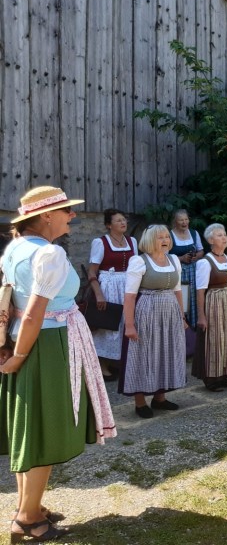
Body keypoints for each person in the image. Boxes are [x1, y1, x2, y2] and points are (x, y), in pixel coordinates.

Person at [0, 186, 116, 542]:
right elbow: (34, 314)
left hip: (27, 340)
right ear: (46, 215)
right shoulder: (49, 254)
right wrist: (19, 356)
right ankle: (29, 518)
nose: (73, 216)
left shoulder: (15, 248)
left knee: (31, 429)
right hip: (44, 344)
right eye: (67, 209)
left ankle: (27, 506)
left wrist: (13, 347)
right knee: (45, 429)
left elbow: (9, 299)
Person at [121, 225, 187, 418]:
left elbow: (177, 290)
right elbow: (130, 296)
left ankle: (160, 398)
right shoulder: (139, 262)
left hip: (170, 312)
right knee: (143, 354)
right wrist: (130, 325)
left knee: (165, 351)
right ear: (150, 240)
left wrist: (182, 316)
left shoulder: (174, 259)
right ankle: (140, 402)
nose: (165, 240)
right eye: (160, 237)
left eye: (167, 236)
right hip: (146, 311)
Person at [192, 224, 227, 391]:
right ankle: (211, 378)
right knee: (215, 338)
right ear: (210, 240)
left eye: (224, 234)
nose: (224, 237)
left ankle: (224, 374)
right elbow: (200, 291)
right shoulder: (205, 262)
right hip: (214, 302)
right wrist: (201, 316)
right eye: (219, 235)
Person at [87, 209, 137, 381]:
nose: (123, 223)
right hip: (108, 286)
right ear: (109, 225)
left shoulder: (132, 241)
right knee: (107, 325)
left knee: (126, 323)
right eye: (118, 221)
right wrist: (99, 294)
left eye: (124, 220)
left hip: (128, 285)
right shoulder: (100, 242)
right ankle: (102, 365)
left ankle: (119, 362)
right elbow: (92, 271)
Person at [169, 209, 204, 326]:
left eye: (186, 219)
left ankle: (194, 326)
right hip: (177, 272)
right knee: (181, 297)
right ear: (175, 221)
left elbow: (201, 251)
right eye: (181, 220)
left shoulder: (194, 233)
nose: (184, 222)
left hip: (193, 271)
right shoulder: (169, 235)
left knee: (194, 297)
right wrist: (181, 258)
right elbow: (164, 256)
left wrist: (195, 257)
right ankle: (181, 323)